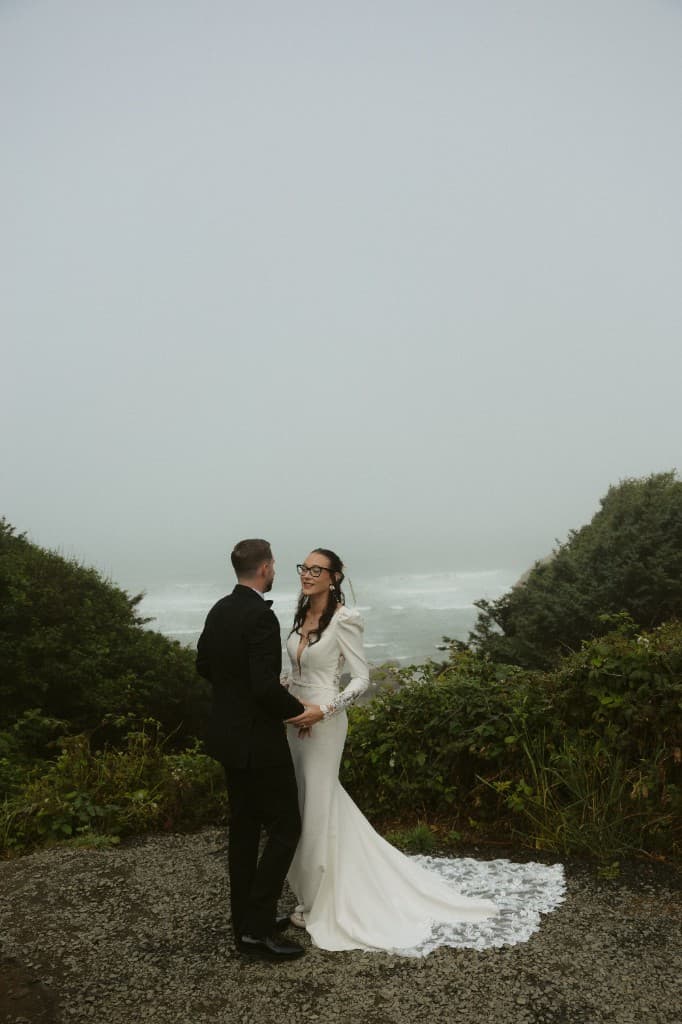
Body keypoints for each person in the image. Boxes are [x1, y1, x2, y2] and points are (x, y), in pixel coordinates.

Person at [284, 548, 499, 954]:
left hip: (324, 723)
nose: (307, 574)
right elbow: (296, 669)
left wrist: (323, 711)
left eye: (317, 569)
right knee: (308, 801)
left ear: (334, 576)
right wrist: (284, 694)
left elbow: (361, 679)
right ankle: (316, 882)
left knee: (317, 803)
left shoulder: (344, 619)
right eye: (304, 567)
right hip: (294, 722)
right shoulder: (300, 614)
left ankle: (320, 900)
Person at [196, 539, 305, 961]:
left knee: (243, 831)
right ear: (265, 569)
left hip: (227, 738)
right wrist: (299, 710)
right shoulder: (260, 616)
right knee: (286, 828)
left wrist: (236, 692)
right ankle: (258, 931)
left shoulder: (220, 608)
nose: (275, 570)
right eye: (274, 565)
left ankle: (243, 922)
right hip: (258, 742)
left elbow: (203, 665)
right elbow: (263, 686)